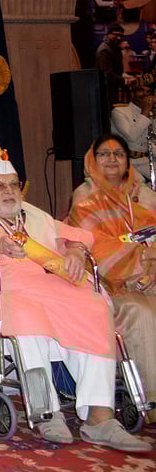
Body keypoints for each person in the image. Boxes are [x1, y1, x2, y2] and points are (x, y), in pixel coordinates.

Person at [0, 159, 151, 452]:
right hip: (0, 289)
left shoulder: (35, 215)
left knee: (93, 306)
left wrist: (76, 251)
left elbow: (78, 236)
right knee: (28, 315)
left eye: (13, 184)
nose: (9, 191)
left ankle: (100, 416)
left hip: (51, 286)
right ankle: (46, 412)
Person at [66, 134, 156, 426]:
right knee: (142, 313)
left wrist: (150, 268)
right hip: (110, 286)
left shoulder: (145, 195)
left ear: (128, 161)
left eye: (119, 154)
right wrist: (138, 267)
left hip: (150, 277)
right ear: (93, 161)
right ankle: (150, 398)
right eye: (104, 154)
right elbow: (95, 247)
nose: (112, 159)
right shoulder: (85, 198)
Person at [110, 84, 155, 184]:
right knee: (139, 184)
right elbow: (132, 136)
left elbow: (151, 141)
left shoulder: (150, 114)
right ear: (132, 93)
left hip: (144, 160)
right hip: (124, 161)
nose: (145, 94)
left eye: (148, 92)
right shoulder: (119, 112)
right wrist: (145, 111)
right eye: (141, 90)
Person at [99, 23, 131, 105]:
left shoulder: (113, 47)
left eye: (121, 36)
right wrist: (124, 80)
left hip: (112, 88)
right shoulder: (105, 50)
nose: (119, 38)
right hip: (106, 89)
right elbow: (106, 73)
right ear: (108, 34)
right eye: (116, 35)